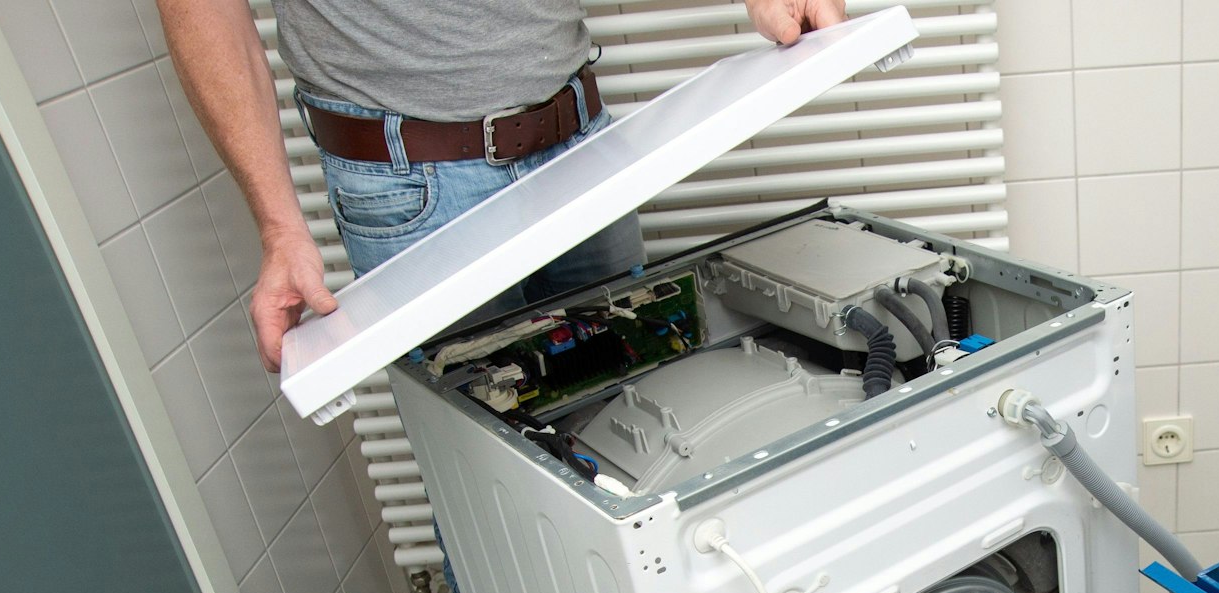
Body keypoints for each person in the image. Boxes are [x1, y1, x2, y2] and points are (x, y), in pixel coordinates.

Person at [154, 0, 848, 372]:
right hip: (412, 184)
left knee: (635, 411)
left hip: (579, 140)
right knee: (490, 484)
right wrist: (279, 226)